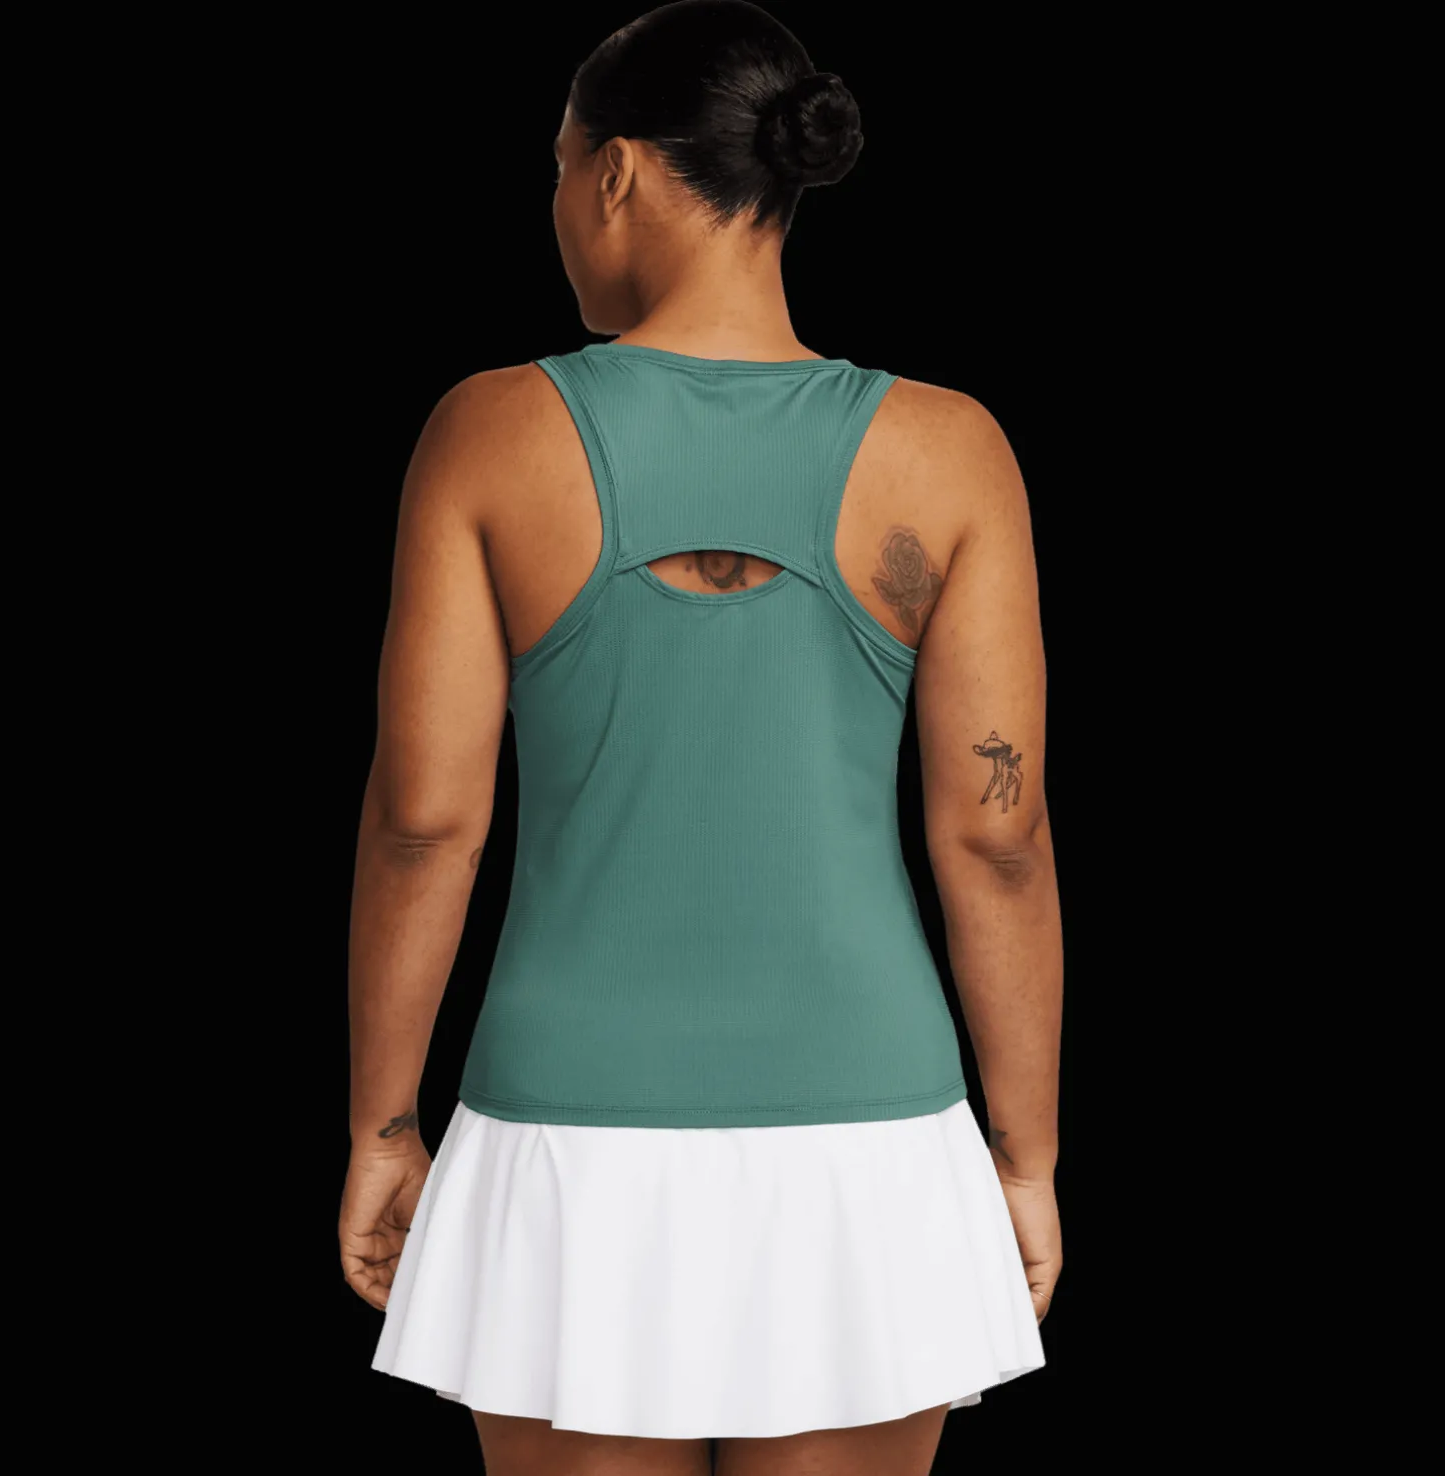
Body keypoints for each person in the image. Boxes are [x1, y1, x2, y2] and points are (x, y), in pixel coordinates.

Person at [339, 2, 1062, 1472]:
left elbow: (426, 819)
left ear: (610, 172)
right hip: (870, 1137)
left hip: (565, 1133)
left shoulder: (489, 432)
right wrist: (1026, 1153)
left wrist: (383, 1127)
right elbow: (996, 839)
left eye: (557, 168)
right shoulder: (949, 449)